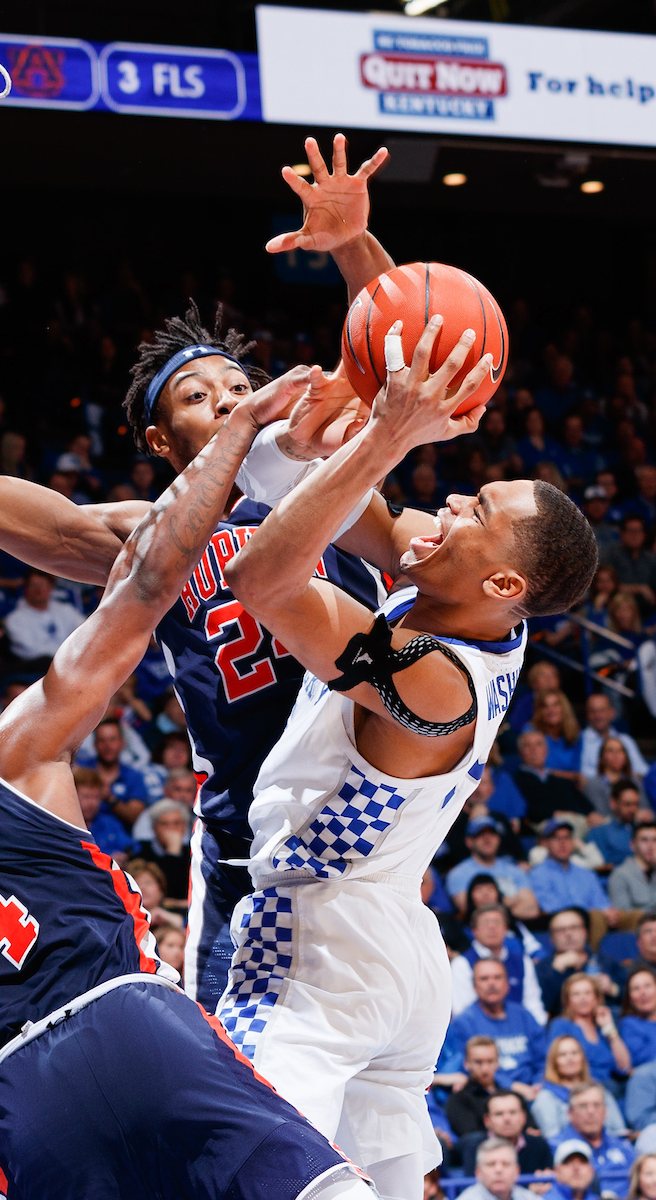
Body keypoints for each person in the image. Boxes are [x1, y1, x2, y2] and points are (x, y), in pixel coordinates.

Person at [0, 326, 377, 1200]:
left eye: (232, 387)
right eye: (195, 395)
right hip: (238, 875)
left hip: (30, 1094)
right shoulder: (6, 761)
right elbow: (98, 566)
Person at [0, 152, 394, 1013]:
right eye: (202, 397)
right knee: (240, 1098)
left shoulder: (331, 476)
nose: (236, 398)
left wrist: (354, 247)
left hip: (372, 824)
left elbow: (407, 363)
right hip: (249, 850)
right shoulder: (144, 537)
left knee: (383, 1110)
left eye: (241, 385)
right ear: (163, 442)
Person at [211, 314, 597, 1192]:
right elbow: (365, 489)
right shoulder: (483, 606)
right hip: (392, 943)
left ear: (502, 583)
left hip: (323, 936)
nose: (451, 504)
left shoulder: (431, 681)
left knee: (243, 1157)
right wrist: (361, 262)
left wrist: (384, 436)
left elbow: (263, 577)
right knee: (383, 1180)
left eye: (476, 512)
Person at [440, 961, 547, 1101]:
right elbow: (470, 1069)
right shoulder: (464, 1023)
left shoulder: (523, 1015)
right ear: (474, 986)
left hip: (533, 1091)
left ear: (507, 984)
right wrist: (513, 1086)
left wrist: (538, 1084)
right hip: (489, 1095)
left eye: (497, 977)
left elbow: (543, 1059)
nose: (491, 983)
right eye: (484, 979)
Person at [450, 905, 547, 1023]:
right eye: (486, 923)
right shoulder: (461, 964)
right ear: (474, 931)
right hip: (478, 1035)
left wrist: (535, 1031)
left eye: (497, 922)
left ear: (506, 929)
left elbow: (533, 1004)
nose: (492, 927)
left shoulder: (523, 962)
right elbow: (462, 1010)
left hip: (520, 1031)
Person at [531, 1036, 627, 1140]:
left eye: (574, 1053)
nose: (570, 1058)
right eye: (563, 1055)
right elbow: (552, 1139)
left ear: (583, 1058)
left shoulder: (598, 1090)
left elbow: (618, 1130)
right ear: (554, 1062)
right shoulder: (546, 1097)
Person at [535, 909, 625, 1019]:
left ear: (585, 932)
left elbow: (633, 999)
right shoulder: (541, 969)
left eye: (574, 927)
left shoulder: (606, 962)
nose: (568, 934)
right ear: (551, 938)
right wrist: (557, 970)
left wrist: (612, 989)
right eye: (560, 930)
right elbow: (541, 1008)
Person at [446, 817, 539, 920]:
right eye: (480, 834)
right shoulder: (458, 873)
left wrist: (494, 907)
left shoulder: (514, 870)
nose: (487, 839)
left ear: (499, 839)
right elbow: (469, 910)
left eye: (492, 834)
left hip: (514, 928)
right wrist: (511, 901)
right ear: (469, 841)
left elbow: (531, 909)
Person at [548, 973, 630, 1087]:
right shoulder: (561, 1025)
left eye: (587, 993)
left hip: (613, 1087)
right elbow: (556, 1067)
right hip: (583, 1089)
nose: (583, 998)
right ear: (568, 1001)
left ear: (596, 998)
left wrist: (609, 1028)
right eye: (576, 994)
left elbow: (624, 1067)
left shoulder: (602, 1028)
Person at [527, 819, 616, 920]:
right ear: (545, 843)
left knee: (632, 917)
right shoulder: (537, 875)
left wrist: (608, 913)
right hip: (562, 924)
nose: (562, 843)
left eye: (567, 837)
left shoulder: (586, 874)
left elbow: (603, 905)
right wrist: (588, 914)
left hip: (596, 920)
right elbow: (550, 909)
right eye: (556, 838)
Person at [2, 570, 84, 670]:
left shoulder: (66, 610)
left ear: (50, 588)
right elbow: (30, 650)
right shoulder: (14, 619)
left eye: (43, 585)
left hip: (72, 663)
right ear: (25, 588)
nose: (39, 589)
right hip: (37, 669)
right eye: (34, 585)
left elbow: (85, 631)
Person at [460, 1091, 553, 1178]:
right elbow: (472, 1186)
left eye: (513, 1112)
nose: (507, 1118)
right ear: (487, 1120)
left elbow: (549, 1180)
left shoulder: (539, 1144)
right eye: (499, 1114)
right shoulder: (474, 1146)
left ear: (524, 1116)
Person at [549, 1083, 635, 1174]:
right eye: (583, 1106)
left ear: (605, 1112)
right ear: (570, 1113)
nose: (591, 1111)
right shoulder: (553, 1148)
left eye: (597, 1105)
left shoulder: (624, 1147)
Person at [513, 736, 592, 833]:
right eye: (527, 746)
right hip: (542, 824)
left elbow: (583, 803)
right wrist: (555, 813)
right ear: (520, 753)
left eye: (538, 744)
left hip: (574, 819)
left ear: (546, 750)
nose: (534, 750)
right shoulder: (517, 781)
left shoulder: (558, 779)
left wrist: (591, 814)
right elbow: (526, 810)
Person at [89, 717, 151, 830]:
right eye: (102, 740)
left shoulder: (134, 776)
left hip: (122, 842)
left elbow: (134, 816)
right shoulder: (82, 772)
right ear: (95, 744)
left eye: (112, 739)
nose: (108, 746)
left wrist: (110, 798)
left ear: (122, 743)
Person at [579, 693, 648, 780]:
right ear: (587, 715)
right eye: (593, 711)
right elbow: (581, 773)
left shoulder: (626, 740)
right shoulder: (579, 740)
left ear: (612, 713)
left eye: (602, 710)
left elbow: (642, 770)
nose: (598, 716)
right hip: (595, 790)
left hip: (625, 788)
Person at [135, 798, 192, 901]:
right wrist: (172, 853)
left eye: (176, 823)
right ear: (154, 827)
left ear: (184, 827)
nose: (171, 828)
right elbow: (167, 892)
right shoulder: (141, 856)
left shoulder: (194, 854)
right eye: (164, 824)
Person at [445, 1036, 501, 1137]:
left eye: (490, 1061)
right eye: (478, 1062)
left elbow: (531, 1129)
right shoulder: (459, 1098)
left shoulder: (510, 1095)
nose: (485, 1069)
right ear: (466, 1063)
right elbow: (470, 1135)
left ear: (498, 1062)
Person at [455, 1138, 540, 1200]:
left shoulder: (531, 1198)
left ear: (517, 1171)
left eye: (505, 1164)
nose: (498, 1170)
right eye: (491, 1164)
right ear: (478, 1172)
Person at [588, 782, 646, 870]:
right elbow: (599, 866)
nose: (633, 809)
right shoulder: (599, 832)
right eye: (627, 804)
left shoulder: (644, 830)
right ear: (613, 803)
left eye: (636, 804)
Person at [583, 739, 646, 818]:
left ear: (626, 757)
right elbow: (601, 816)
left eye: (620, 751)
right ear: (601, 758)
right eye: (610, 751)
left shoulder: (635, 781)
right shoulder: (593, 784)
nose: (616, 755)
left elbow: (645, 811)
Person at [610, 821, 656, 911]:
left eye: (655, 840)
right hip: (640, 924)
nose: (651, 846)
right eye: (644, 840)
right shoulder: (620, 874)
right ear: (633, 845)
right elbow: (624, 916)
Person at [618, 967, 656, 1067]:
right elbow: (640, 1059)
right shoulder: (629, 1024)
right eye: (636, 988)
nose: (643, 992)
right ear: (630, 998)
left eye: (647, 986)